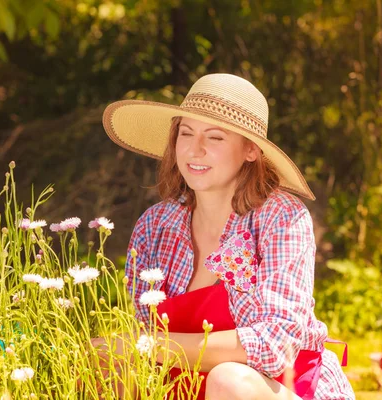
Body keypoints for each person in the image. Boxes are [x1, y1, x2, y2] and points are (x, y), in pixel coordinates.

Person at [100, 73, 355, 399]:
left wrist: (151, 343)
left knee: (228, 381)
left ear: (251, 150)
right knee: (115, 365)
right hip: (184, 384)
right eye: (186, 133)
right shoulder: (155, 225)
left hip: (274, 386)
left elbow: (276, 345)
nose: (195, 150)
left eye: (215, 138)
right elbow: (140, 334)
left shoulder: (282, 219)